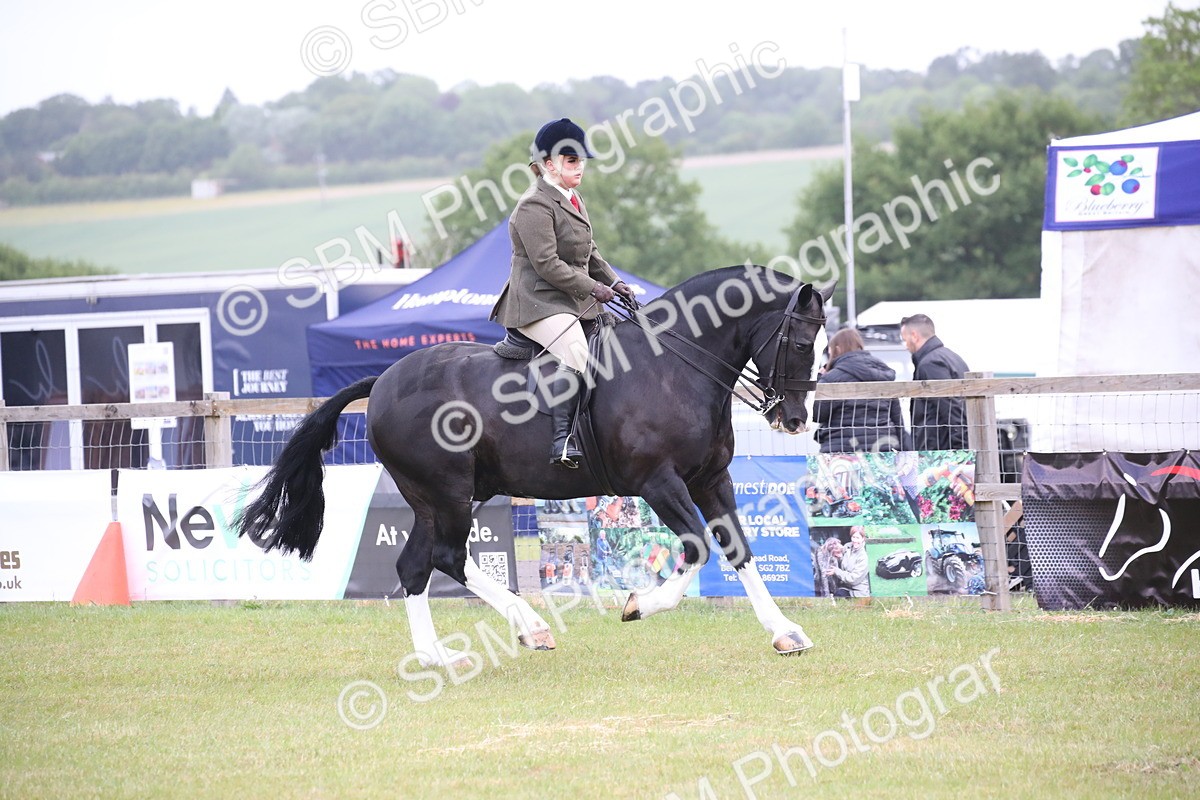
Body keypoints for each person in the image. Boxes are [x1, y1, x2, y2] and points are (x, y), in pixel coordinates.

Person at [490, 118, 637, 467]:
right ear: (548, 165)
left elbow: (591, 251)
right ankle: (563, 442)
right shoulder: (533, 205)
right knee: (576, 353)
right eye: (572, 160)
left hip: (571, 300)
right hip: (537, 302)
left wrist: (615, 283)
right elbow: (548, 264)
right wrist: (595, 287)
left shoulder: (572, 198)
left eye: (581, 160)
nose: (579, 166)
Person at [812, 328, 907, 453]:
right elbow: (897, 420)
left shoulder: (832, 378)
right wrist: (906, 450)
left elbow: (817, 414)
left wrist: (819, 379)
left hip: (841, 449)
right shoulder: (884, 375)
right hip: (883, 447)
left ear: (838, 350)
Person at [899, 314, 971, 451]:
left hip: (940, 451)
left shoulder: (930, 364)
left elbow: (951, 409)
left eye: (904, 340)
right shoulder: (952, 357)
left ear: (914, 335)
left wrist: (961, 451)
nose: (905, 346)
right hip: (947, 445)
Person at [825, 527, 870, 597]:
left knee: (839, 596)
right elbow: (845, 563)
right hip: (846, 586)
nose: (855, 540)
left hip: (858, 591)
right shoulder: (847, 546)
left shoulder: (863, 556)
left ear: (863, 538)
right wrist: (839, 557)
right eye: (853, 537)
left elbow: (854, 579)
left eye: (857, 538)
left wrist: (836, 571)